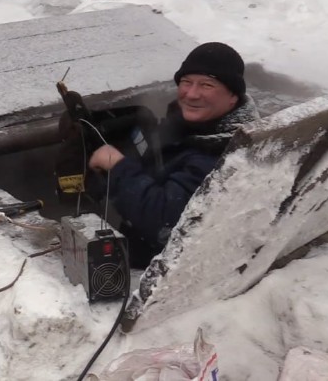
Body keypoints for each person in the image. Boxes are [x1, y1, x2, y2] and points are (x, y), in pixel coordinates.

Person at [87, 42, 260, 267]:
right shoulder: (189, 125)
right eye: (186, 82)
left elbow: (164, 222)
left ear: (233, 97)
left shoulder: (220, 153)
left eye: (207, 85)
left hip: (161, 265)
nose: (192, 94)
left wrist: (118, 167)